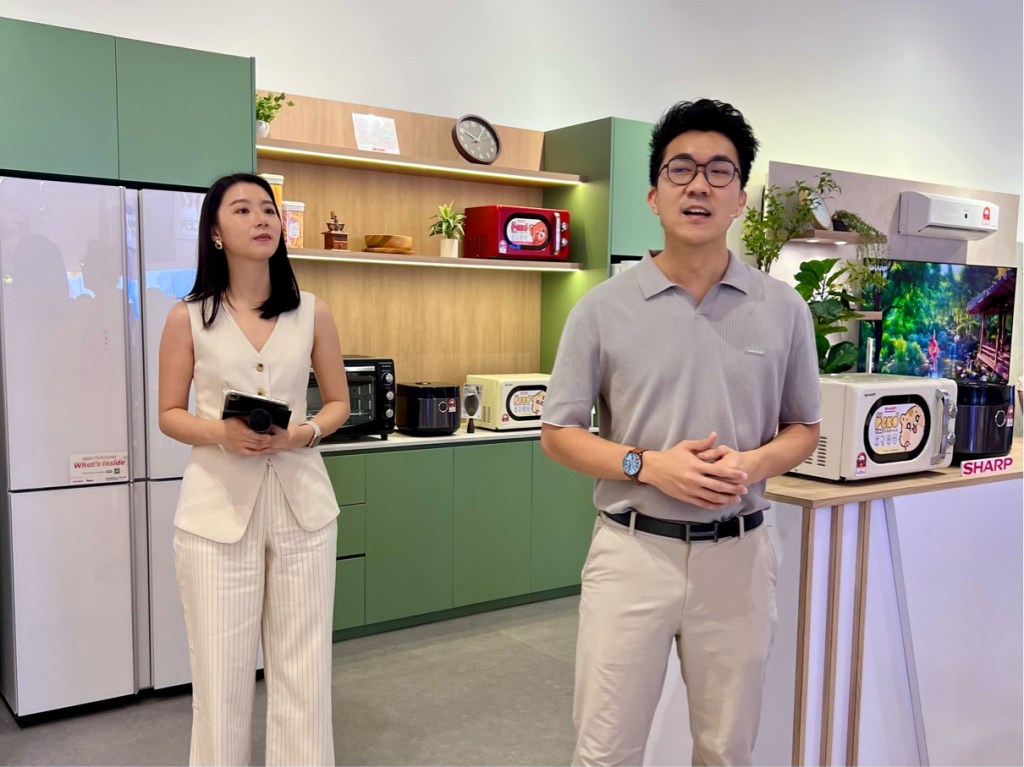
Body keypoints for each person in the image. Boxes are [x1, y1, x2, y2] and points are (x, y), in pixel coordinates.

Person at [540, 99, 821, 766]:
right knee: (606, 749)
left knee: (726, 749)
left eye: (720, 171)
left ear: (741, 198)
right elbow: (558, 433)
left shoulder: (783, 309)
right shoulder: (601, 308)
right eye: (681, 169)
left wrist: (750, 465)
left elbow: (804, 428)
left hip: (739, 556)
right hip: (631, 551)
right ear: (654, 194)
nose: (699, 185)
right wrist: (648, 465)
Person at [158, 172, 350, 765]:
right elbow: (168, 414)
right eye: (242, 210)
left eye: (268, 209)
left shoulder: (311, 312)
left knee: (304, 668)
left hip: (304, 510)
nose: (262, 218)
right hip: (215, 513)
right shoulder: (188, 317)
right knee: (221, 674)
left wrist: (301, 434)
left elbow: (338, 403)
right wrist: (221, 432)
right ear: (215, 232)